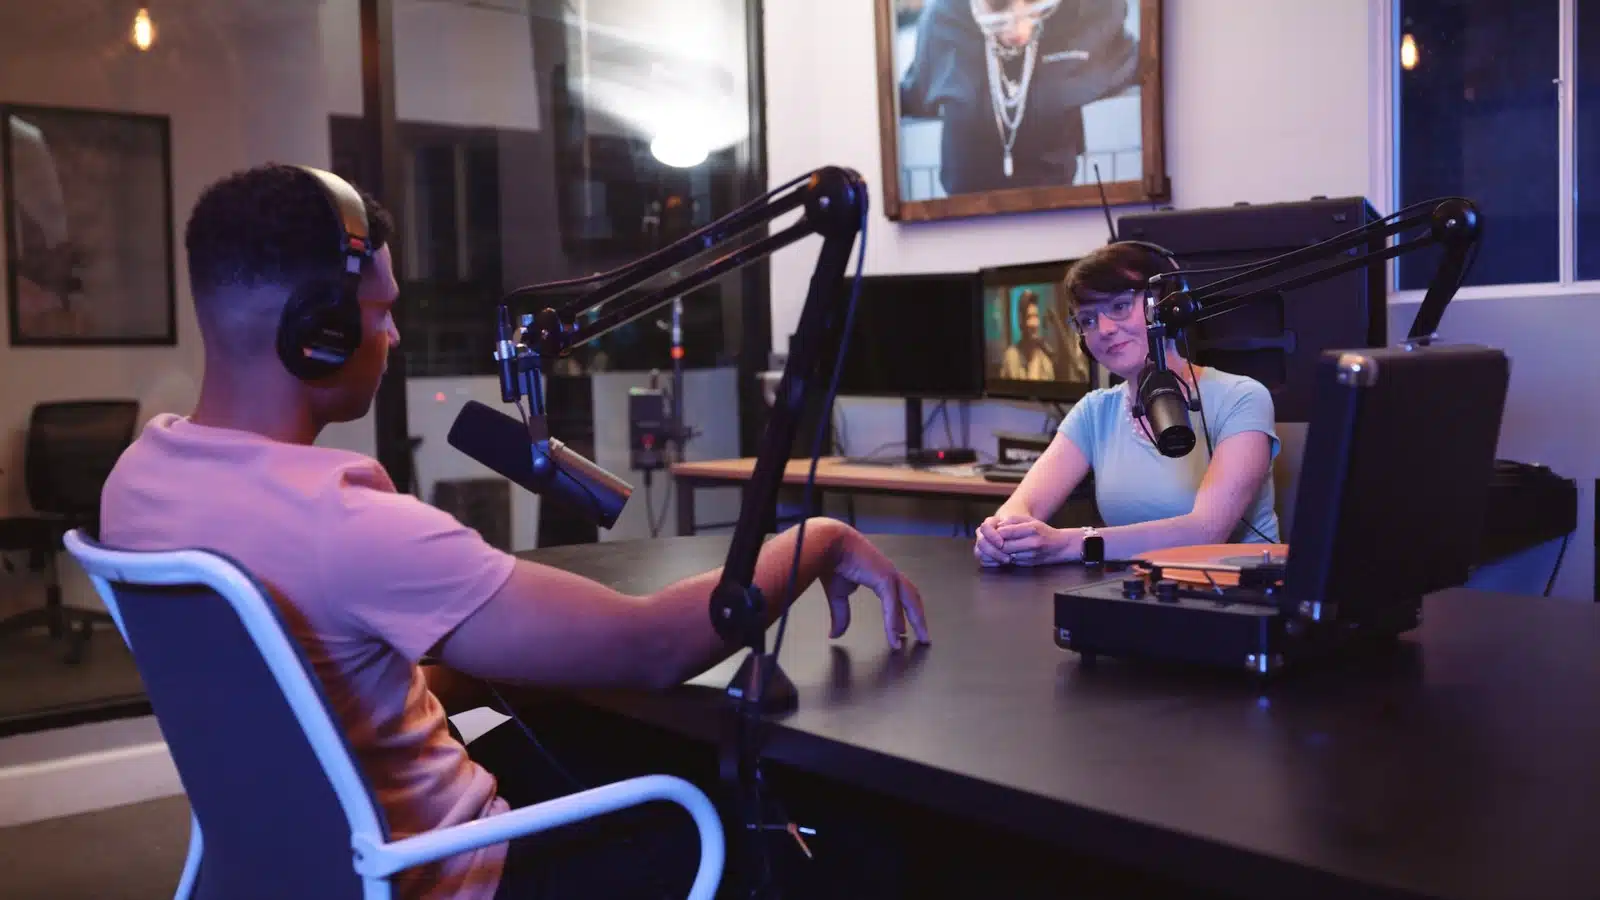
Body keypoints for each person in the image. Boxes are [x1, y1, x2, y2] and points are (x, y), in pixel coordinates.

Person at [98, 163, 931, 900]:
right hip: (467, 871)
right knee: (843, 844)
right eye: (379, 312)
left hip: (307, 862)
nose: (390, 336)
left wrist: (454, 667)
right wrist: (819, 537)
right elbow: (651, 647)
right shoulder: (346, 526)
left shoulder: (138, 484)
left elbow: (293, 686)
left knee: (597, 734)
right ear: (320, 333)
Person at [974, 242, 1281, 567]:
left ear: (1166, 307)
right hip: (1139, 592)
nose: (1104, 329)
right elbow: (1023, 506)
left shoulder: (1242, 397)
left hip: (1238, 598)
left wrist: (1067, 543)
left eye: (1120, 306)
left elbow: (1205, 531)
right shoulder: (1095, 411)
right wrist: (1001, 534)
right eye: (1088, 320)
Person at [898, 0, 1140, 197]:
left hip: (1057, 209)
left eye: (1034, 3)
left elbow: (1138, 62)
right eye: (998, 5)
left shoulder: (1086, 15)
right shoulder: (942, 23)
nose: (1020, 30)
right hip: (964, 215)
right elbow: (915, 94)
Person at [998, 290, 1057, 381]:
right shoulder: (1010, 357)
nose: (1034, 324)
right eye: (1029, 317)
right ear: (1021, 322)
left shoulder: (1045, 359)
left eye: (1036, 316)